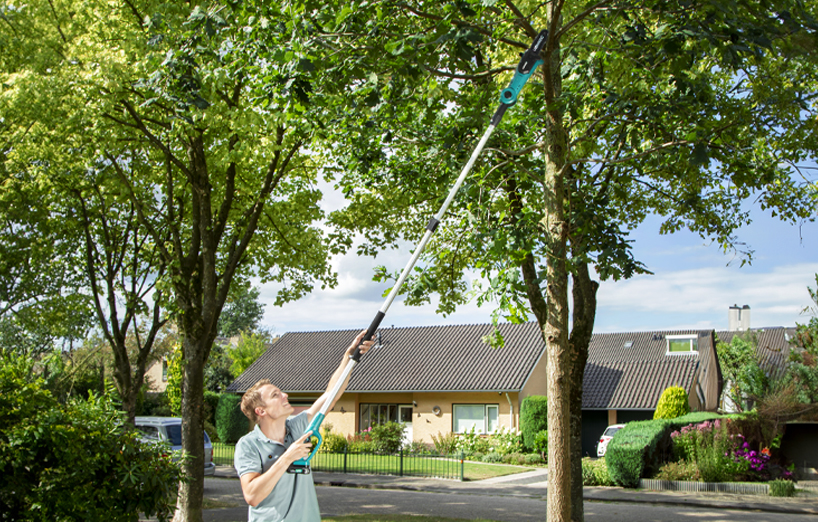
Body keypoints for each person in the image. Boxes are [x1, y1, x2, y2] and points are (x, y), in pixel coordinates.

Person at [233, 330, 374, 522]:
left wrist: (349, 357)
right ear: (261, 411)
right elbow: (252, 495)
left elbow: (330, 396)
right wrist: (287, 457)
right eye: (276, 395)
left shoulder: (297, 427)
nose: (285, 396)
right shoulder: (248, 445)